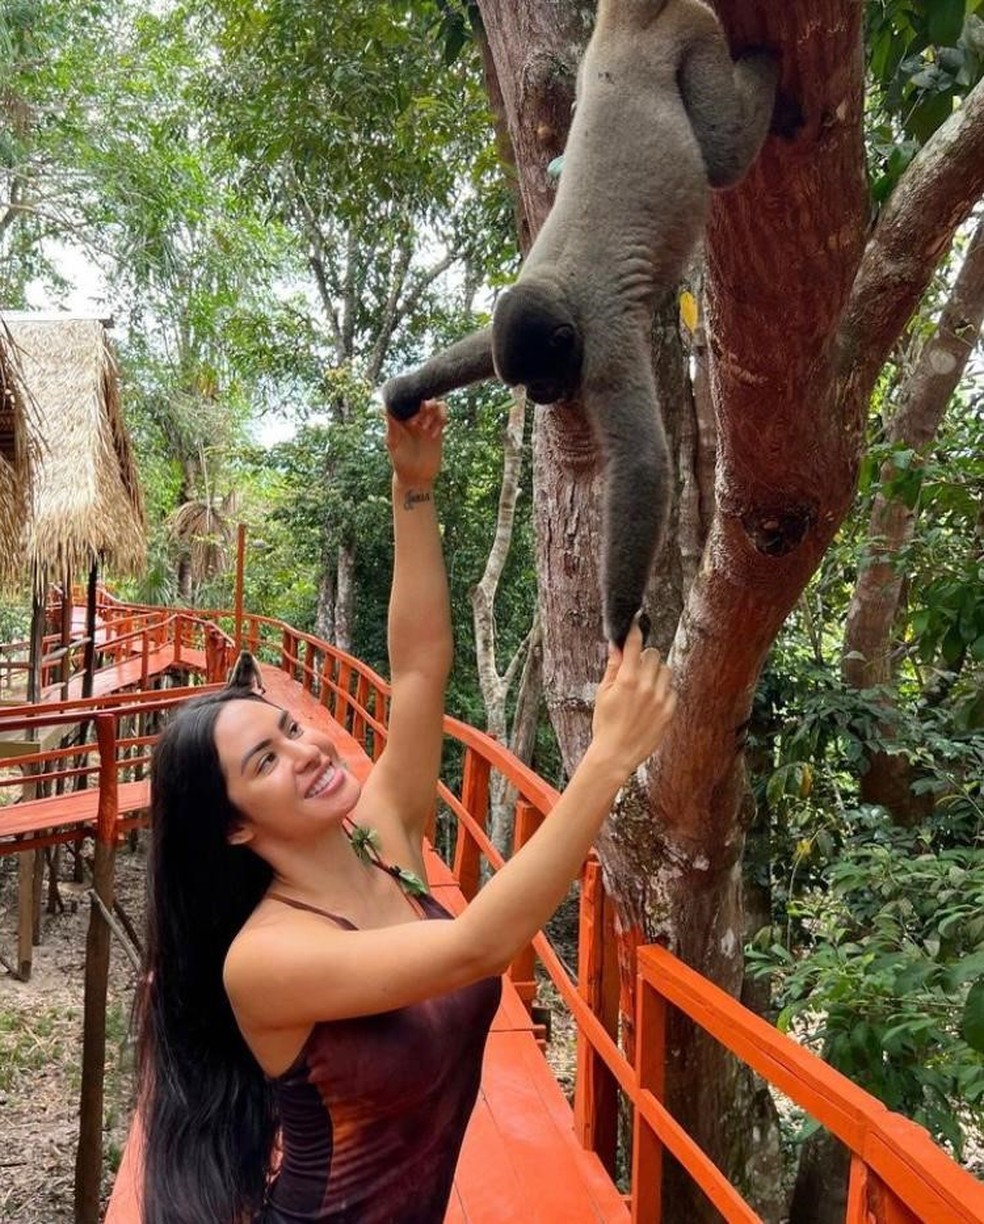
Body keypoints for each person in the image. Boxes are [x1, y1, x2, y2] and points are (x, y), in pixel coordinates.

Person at [137, 399, 676, 1224]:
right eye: (265, 762)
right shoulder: (265, 958)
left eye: (290, 727)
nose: (308, 750)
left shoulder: (383, 838)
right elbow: (477, 945)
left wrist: (412, 491)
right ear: (233, 826)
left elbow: (421, 669)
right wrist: (604, 761)